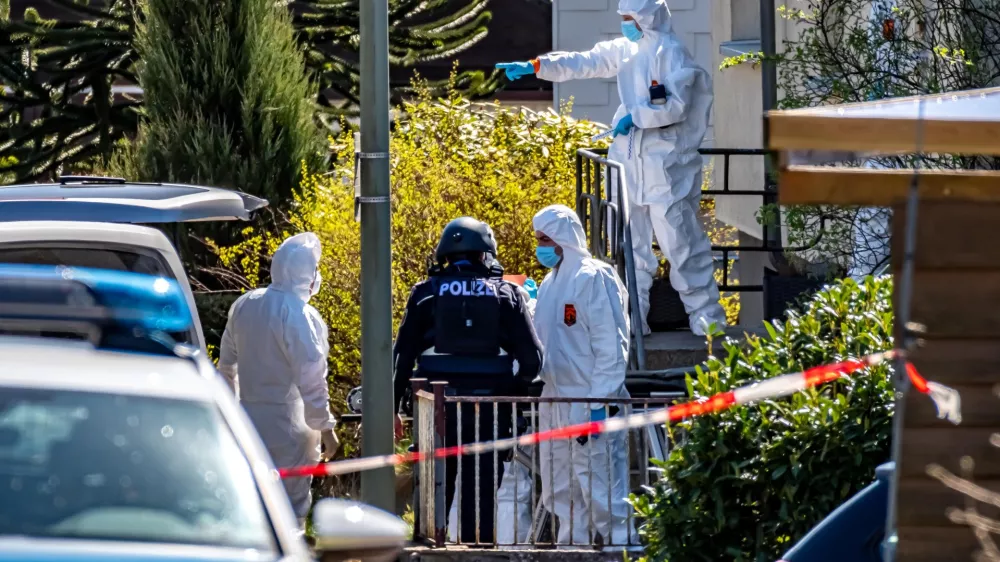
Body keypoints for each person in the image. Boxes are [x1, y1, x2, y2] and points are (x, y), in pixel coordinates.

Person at [496, 0, 725, 336]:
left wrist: (639, 116)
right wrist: (538, 65)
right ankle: (634, 319)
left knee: (681, 243)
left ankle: (707, 317)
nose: (624, 25)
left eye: (629, 19)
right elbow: (586, 61)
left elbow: (677, 106)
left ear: (646, 19)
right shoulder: (627, 51)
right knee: (631, 247)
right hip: (630, 163)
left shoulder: (671, 53)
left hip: (667, 168)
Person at [392, 217, 543, 544]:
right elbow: (533, 359)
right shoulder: (508, 293)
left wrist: (393, 407)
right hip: (489, 409)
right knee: (482, 489)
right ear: (484, 254)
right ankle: (479, 549)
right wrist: (514, 395)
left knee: (434, 488)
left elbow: (402, 357)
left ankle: (431, 547)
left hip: (435, 410)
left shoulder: (424, 294)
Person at [217, 232, 339, 529]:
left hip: (247, 424)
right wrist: (326, 428)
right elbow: (312, 379)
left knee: (252, 506)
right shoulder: (300, 315)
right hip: (291, 429)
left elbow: (226, 369)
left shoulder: (244, 305)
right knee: (290, 515)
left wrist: (226, 416)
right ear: (305, 274)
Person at [531, 204, 633, 547]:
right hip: (556, 399)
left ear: (564, 238)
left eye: (546, 239)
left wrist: (599, 402)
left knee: (602, 484)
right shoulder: (549, 283)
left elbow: (611, 346)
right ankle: (571, 547)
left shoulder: (594, 276)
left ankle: (622, 547)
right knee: (560, 485)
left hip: (591, 401)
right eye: (538, 239)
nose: (541, 246)